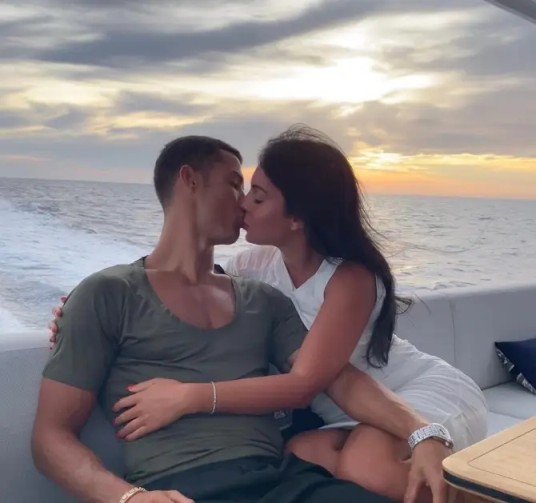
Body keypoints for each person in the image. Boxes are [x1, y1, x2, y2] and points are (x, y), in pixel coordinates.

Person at [47, 128, 484, 502]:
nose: (243, 203)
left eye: (255, 194)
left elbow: (328, 378)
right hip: (189, 485)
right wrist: (128, 497)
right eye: (235, 185)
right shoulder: (110, 293)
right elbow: (50, 436)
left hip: (297, 467)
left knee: (366, 471)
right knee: (327, 456)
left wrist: (422, 431)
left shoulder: (274, 296)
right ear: (190, 180)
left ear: (297, 218)